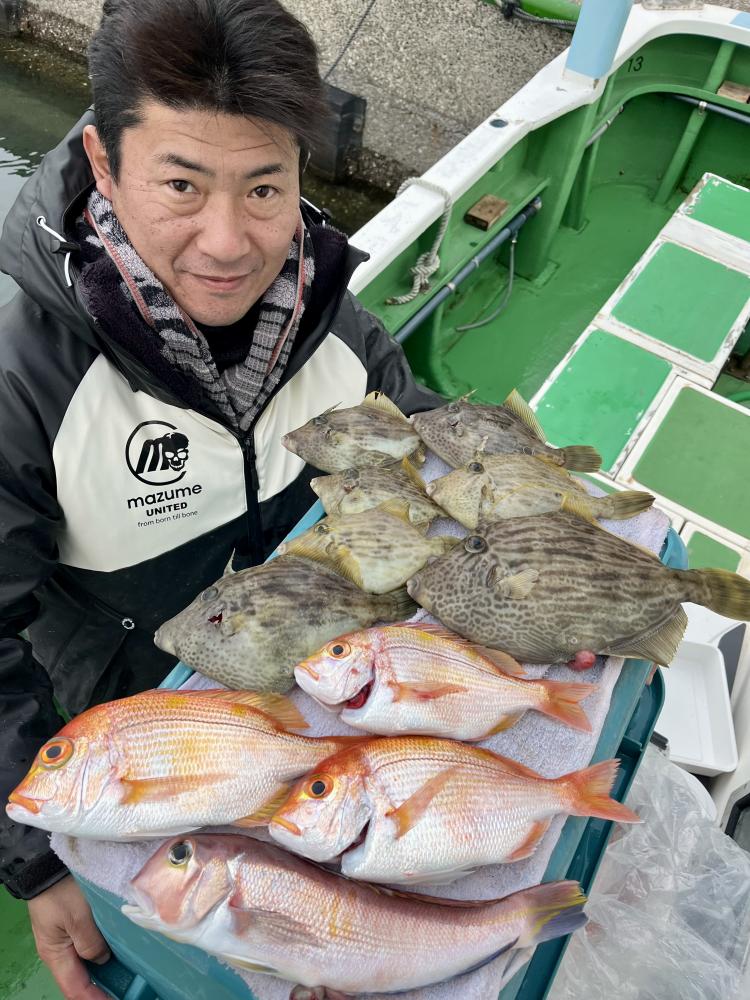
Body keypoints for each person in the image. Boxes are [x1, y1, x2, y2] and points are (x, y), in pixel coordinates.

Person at [0, 1, 441, 995]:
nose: (230, 242)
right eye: (182, 185)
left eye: (265, 187)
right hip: (143, 735)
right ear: (105, 164)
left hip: (330, 698)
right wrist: (37, 860)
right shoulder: (23, 388)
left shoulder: (338, 327)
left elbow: (415, 457)